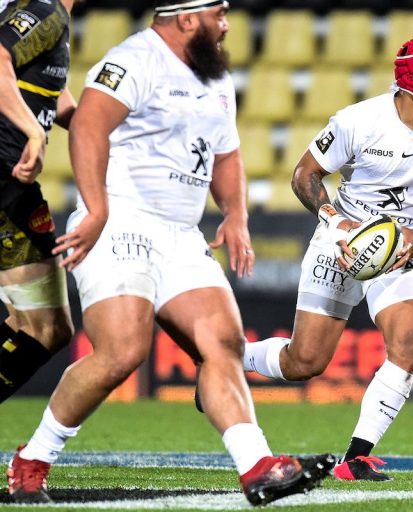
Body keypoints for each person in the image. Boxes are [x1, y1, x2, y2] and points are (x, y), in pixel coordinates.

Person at [6, 0, 333, 505]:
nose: (227, 25)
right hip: (121, 220)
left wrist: (236, 214)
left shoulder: (216, 78)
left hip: (180, 233)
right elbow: (88, 126)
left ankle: (257, 467)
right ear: (186, 19)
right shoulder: (134, 59)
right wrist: (97, 207)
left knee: (221, 344)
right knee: (122, 351)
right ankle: (32, 461)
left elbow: (227, 154)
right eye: (218, 15)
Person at [234, 35, 413, 481]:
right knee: (304, 363)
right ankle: (230, 362)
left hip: (402, 249)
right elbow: (304, 174)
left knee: (411, 341)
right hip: (341, 243)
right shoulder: (358, 120)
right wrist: (335, 222)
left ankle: (355, 458)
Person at [0, 0, 82, 404]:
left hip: (12, 186)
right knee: (44, 327)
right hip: (6, 180)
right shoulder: (45, 10)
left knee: (38, 325)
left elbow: (57, 100)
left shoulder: (42, 17)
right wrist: (34, 132)